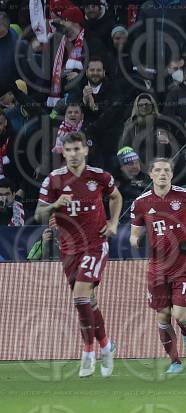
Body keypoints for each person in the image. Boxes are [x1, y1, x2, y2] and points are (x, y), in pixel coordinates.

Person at [35, 131, 122, 378]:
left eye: (77, 149)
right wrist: (54, 205)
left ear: (85, 150)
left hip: (95, 243)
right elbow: (40, 214)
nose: (73, 154)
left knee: (80, 296)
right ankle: (106, 345)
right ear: (63, 151)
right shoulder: (53, 180)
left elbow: (116, 196)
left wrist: (114, 223)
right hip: (68, 249)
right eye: (69, 150)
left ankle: (88, 353)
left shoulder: (99, 176)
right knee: (88, 301)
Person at [129, 157, 186, 374]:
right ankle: (175, 361)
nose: (162, 173)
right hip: (157, 269)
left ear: (172, 174)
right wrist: (139, 241)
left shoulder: (185, 196)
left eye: (167, 170)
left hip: (182, 266)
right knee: (163, 316)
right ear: (151, 174)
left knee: (180, 315)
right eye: (158, 170)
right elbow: (133, 236)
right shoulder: (140, 203)